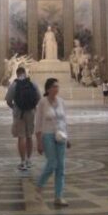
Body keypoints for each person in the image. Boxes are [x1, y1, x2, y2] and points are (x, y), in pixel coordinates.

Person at [34, 78, 69, 207]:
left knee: (61, 166)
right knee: (52, 163)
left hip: (61, 136)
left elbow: (64, 121)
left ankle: (58, 196)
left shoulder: (61, 102)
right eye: (54, 86)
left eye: (57, 86)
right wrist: (39, 142)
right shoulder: (42, 103)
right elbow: (38, 124)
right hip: (47, 135)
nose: (56, 89)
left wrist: (67, 138)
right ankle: (39, 185)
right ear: (48, 89)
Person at [5, 66, 41, 171]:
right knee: (29, 136)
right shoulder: (32, 83)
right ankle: (29, 160)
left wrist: (14, 107)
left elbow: (8, 100)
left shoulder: (14, 84)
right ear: (25, 73)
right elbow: (39, 97)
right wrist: (32, 106)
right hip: (31, 112)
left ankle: (22, 162)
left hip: (19, 113)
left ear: (17, 74)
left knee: (21, 137)